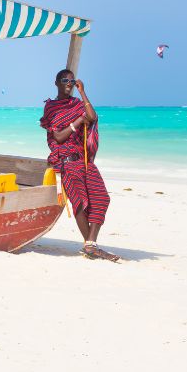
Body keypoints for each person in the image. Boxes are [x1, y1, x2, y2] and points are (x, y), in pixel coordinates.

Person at [39, 69, 118, 261]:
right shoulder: (51, 108)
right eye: (65, 80)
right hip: (66, 163)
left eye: (71, 80)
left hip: (84, 160)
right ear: (56, 83)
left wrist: (82, 93)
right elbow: (58, 136)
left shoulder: (77, 103)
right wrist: (78, 121)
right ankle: (91, 246)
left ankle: (90, 244)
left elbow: (92, 116)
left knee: (101, 198)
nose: (68, 82)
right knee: (80, 203)